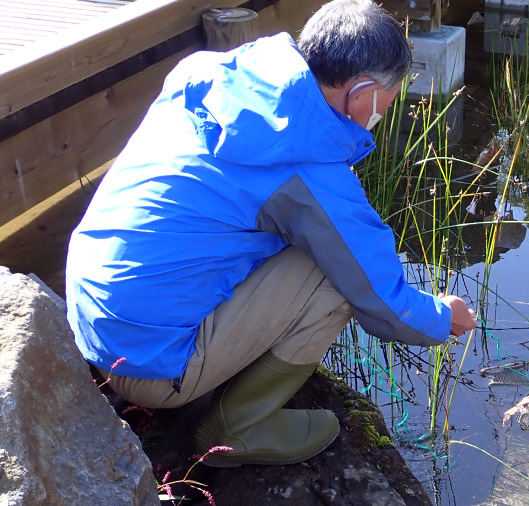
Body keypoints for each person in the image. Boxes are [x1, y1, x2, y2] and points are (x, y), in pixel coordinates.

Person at [65, 0, 476, 468]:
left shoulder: (218, 73)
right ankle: (234, 429)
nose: (388, 107)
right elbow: (380, 299)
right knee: (333, 274)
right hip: (146, 366)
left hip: (93, 316)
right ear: (363, 94)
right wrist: (444, 317)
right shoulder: (304, 168)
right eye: (392, 96)